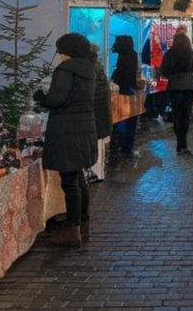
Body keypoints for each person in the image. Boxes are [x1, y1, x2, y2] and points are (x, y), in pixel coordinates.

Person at [37, 32, 98, 248]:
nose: (60, 55)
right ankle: (83, 223)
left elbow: (56, 99)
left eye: (61, 51)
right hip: (84, 127)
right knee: (79, 179)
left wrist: (41, 98)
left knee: (70, 181)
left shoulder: (65, 70)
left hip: (67, 130)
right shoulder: (89, 69)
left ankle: (72, 229)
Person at [160, 31, 193, 155]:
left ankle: (179, 144)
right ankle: (184, 144)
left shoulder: (170, 54)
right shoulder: (190, 54)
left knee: (176, 114)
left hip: (174, 86)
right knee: (185, 114)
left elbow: (163, 71)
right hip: (188, 86)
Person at [110, 35, 141, 158]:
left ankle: (123, 144)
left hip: (123, 90)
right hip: (130, 89)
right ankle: (127, 146)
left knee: (122, 118)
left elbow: (122, 73)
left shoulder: (123, 56)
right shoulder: (132, 55)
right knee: (130, 119)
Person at [88, 44, 112, 185]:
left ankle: (97, 173)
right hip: (101, 114)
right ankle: (98, 172)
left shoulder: (91, 71)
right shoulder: (98, 70)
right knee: (98, 145)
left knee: (96, 145)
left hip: (96, 115)